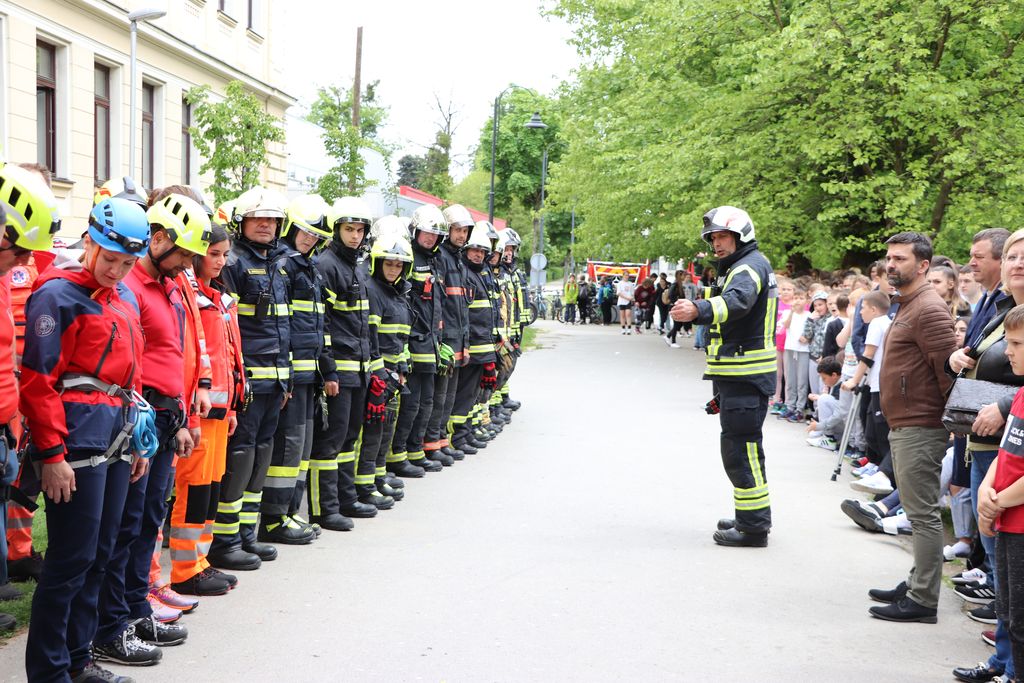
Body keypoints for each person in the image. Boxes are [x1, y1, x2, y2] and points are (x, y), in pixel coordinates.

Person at [21, 190, 148, 683]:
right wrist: (52, 454)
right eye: (110, 260)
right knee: (70, 560)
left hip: (115, 440)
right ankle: (49, 672)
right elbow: (38, 381)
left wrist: (137, 440)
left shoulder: (121, 296)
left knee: (101, 554)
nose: (117, 271)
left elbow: (129, 375)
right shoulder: (56, 296)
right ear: (91, 243)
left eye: (126, 263)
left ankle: (78, 660)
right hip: (75, 447)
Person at [671, 206, 777, 547]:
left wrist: (698, 309)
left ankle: (753, 529)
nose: (717, 244)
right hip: (739, 376)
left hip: (746, 376)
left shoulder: (747, 267)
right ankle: (749, 518)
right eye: (713, 238)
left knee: (741, 452)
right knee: (741, 450)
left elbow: (738, 303)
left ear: (740, 235)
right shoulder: (741, 265)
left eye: (722, 237)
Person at [868, 232, 957, 624]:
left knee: (921, 513)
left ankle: (923, 600)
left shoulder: (929, 309)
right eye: (889, 257)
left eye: (900, 259)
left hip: (921, 424)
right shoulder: (909, 303)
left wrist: (951, 425)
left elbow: (947, 373)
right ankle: (917, 581)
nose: (891, 264)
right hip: (905, 421)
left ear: (923, 265)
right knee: (918, 508)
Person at [210, 186, 292, 568]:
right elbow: (226, 329)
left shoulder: (276, 264)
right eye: (259, 218)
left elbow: (282, 327)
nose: (267, 225)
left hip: (274, 380)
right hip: (248, 383)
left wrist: (286, 377)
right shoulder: (233, 265)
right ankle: (224, 541)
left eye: (273, 219)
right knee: (240, 456)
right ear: (242, 222)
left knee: (261, 454)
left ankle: (246, 533)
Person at [171, 222, 245, 597]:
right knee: (194, 486)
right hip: (199, 410)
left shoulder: (219, 297)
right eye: (213, 254)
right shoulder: (189, 296)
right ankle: (184, 567)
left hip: (220, 410)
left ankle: (201, 560)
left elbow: (229, 357)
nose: (220, 261)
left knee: (212, 487)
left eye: (224, 254)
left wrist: (231, 407)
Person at [258, 194, 332, 545]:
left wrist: (325, 370)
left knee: (300, 448)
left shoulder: (308, 267)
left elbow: (319, 326)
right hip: (290, 375)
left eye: (315, 235)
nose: (309, 239)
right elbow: (281, 328)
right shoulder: (285, 266)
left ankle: (289, 511)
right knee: (287, 448)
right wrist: (284, 372)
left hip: (308, 376)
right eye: (304, 231)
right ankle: (274, 519)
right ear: (290, 227)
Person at [306, 196, 380, 532]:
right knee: (331, 440)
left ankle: (346, 498)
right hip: (340, 368)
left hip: (360, 367)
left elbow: (364, 322)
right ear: (337, 230)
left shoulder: (358, 266)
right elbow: (324, 324)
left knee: (350, 436)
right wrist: (329, 370)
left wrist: (374, 366)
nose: (355, 235)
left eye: (360, 230)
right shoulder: (327, 265)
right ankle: (325, 508)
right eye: (349, 229)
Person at [976, 303, 1024, 681]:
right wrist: (986, 493)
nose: (1007, 351)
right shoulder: (1021, 395)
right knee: (1008, 609)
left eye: (1017, 343)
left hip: (1018, 519)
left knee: (1022, 617)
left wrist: (996, 503)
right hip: (1006, 518)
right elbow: (1005, 452)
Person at [356, 222, 414, 509]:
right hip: (378, 376)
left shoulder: (397, 293)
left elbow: (400, 339)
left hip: (393, 376)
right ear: (377, 263)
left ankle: (378, 478)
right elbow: (371, 337)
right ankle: (364, 484)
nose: (393, 269)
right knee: (372, 432)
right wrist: (381, 375)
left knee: (385, 431)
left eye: (398, 265)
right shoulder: (373, 291)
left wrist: (402, 370)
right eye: (389, 264)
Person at [388, 212, 444, 480]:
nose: (431, 237)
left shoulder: (434, 261)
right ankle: (398, 455)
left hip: (429, 343)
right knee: (410, 404)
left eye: (434, 234)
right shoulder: (409, 259)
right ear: (415, 232)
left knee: (426, 401)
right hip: (413, 342)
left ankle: (415, 450)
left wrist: (439, 339)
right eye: (426, 232)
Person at [449, 223, 499, 452]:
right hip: (472, 348)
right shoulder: (467, 275)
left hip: (481, 349)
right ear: (466, 250)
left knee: (471, 396)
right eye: (474, 250)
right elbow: (468, 318)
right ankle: (459, 438)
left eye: (482, 251)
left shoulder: (479, 275)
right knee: (463, 396)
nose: (478, 254)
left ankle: (466, 432)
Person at [779, 286, 809, 422]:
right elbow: (785, 325)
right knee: (790, 378)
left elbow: (810, 331)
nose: (798, 301)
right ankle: (789, 405)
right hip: (789, 348)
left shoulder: (809, 315)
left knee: (801, 380)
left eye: (801, 298)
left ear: (806, 301)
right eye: (795, 298)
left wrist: (806, 337)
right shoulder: (787, 312)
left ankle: (800, 408)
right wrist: (791, 312)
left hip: (803, 350)